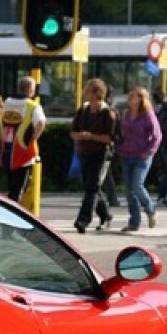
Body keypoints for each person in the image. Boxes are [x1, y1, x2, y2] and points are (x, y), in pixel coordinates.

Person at [70, 78, 118, 234]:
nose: (85, 93)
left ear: (97, 93)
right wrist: (80, 136)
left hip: (102, 154)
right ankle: (106, 215)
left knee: (92, 187)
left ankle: (83, 220)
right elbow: (73, 132)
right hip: (85, 152)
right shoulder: (82, 111)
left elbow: (110, 138)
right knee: (92, 186)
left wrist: (91, 136)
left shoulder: (108, 113)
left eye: (88, 90)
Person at [118, 86, 162, 232]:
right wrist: (120, 147)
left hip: (142, 156)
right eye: (129, 96)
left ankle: (150, 210)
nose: (130, 99)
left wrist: (149, 151)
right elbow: (121, 133)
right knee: (129, 191)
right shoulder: (126, 113)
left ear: (141, 99)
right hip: (127, 154)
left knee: (137, 186)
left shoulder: (148, 115)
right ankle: (134, 221)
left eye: (134, 96)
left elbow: (157, 135)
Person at [0, 76, 45, 204]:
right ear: (31, 90)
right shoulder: (32, 105)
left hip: (7, 150)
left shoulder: (7, 102)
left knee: (11, 186)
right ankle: (13, 216)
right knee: (17, 190)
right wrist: (34, 138)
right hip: (24, 151)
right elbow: (41, 122)